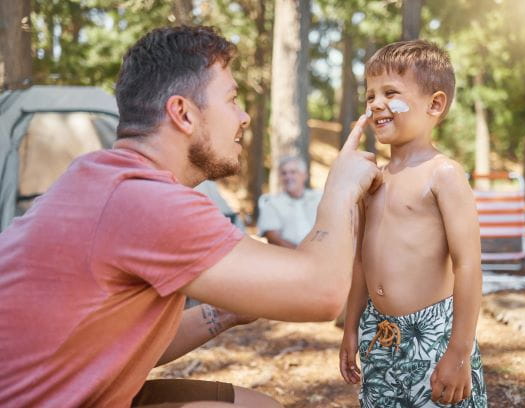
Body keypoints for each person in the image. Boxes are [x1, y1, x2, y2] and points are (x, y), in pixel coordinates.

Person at [0, 26, 382, 407]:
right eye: (231, 99)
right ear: (182, 113)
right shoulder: (144, 200)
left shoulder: (102, 177)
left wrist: (224, 312)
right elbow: (322, 293)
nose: (244, 116)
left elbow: (126, 345)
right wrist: (341, 187)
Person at [339, 40, 487, 407]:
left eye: (390, 92)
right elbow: (361, 262)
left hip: (434, 336)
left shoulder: (443, 175)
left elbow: (467, 264)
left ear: (435, 104)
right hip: (380, 333)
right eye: (370, 94)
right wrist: (351, 326)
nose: (375, 103)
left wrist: (459, 353)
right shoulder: (372, 179)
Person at [257, 156, 322, 248]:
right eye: (284, 173)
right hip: (290, 256)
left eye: (293, 172)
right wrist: (302, 254)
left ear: (304, 175)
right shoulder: (271, 203)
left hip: (323, 252)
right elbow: (273, 238)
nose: (288, 177)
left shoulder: (319, 198)